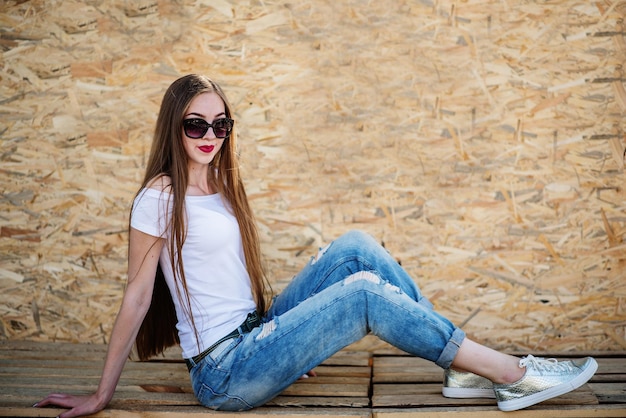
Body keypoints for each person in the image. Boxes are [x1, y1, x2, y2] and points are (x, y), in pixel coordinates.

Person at [35, 74, 597, 416]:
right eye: (195, 125)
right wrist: (100, 395)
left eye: (221, 125)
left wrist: (290, 345)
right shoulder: (159, 196)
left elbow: (233, 284)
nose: (209, 137)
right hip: (224, 372)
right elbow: (136, 297)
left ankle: (459, 369)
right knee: (362, 295)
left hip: (257, 337)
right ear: (173, 127)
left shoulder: (220, 185)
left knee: (354, 248)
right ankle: (510, 374)